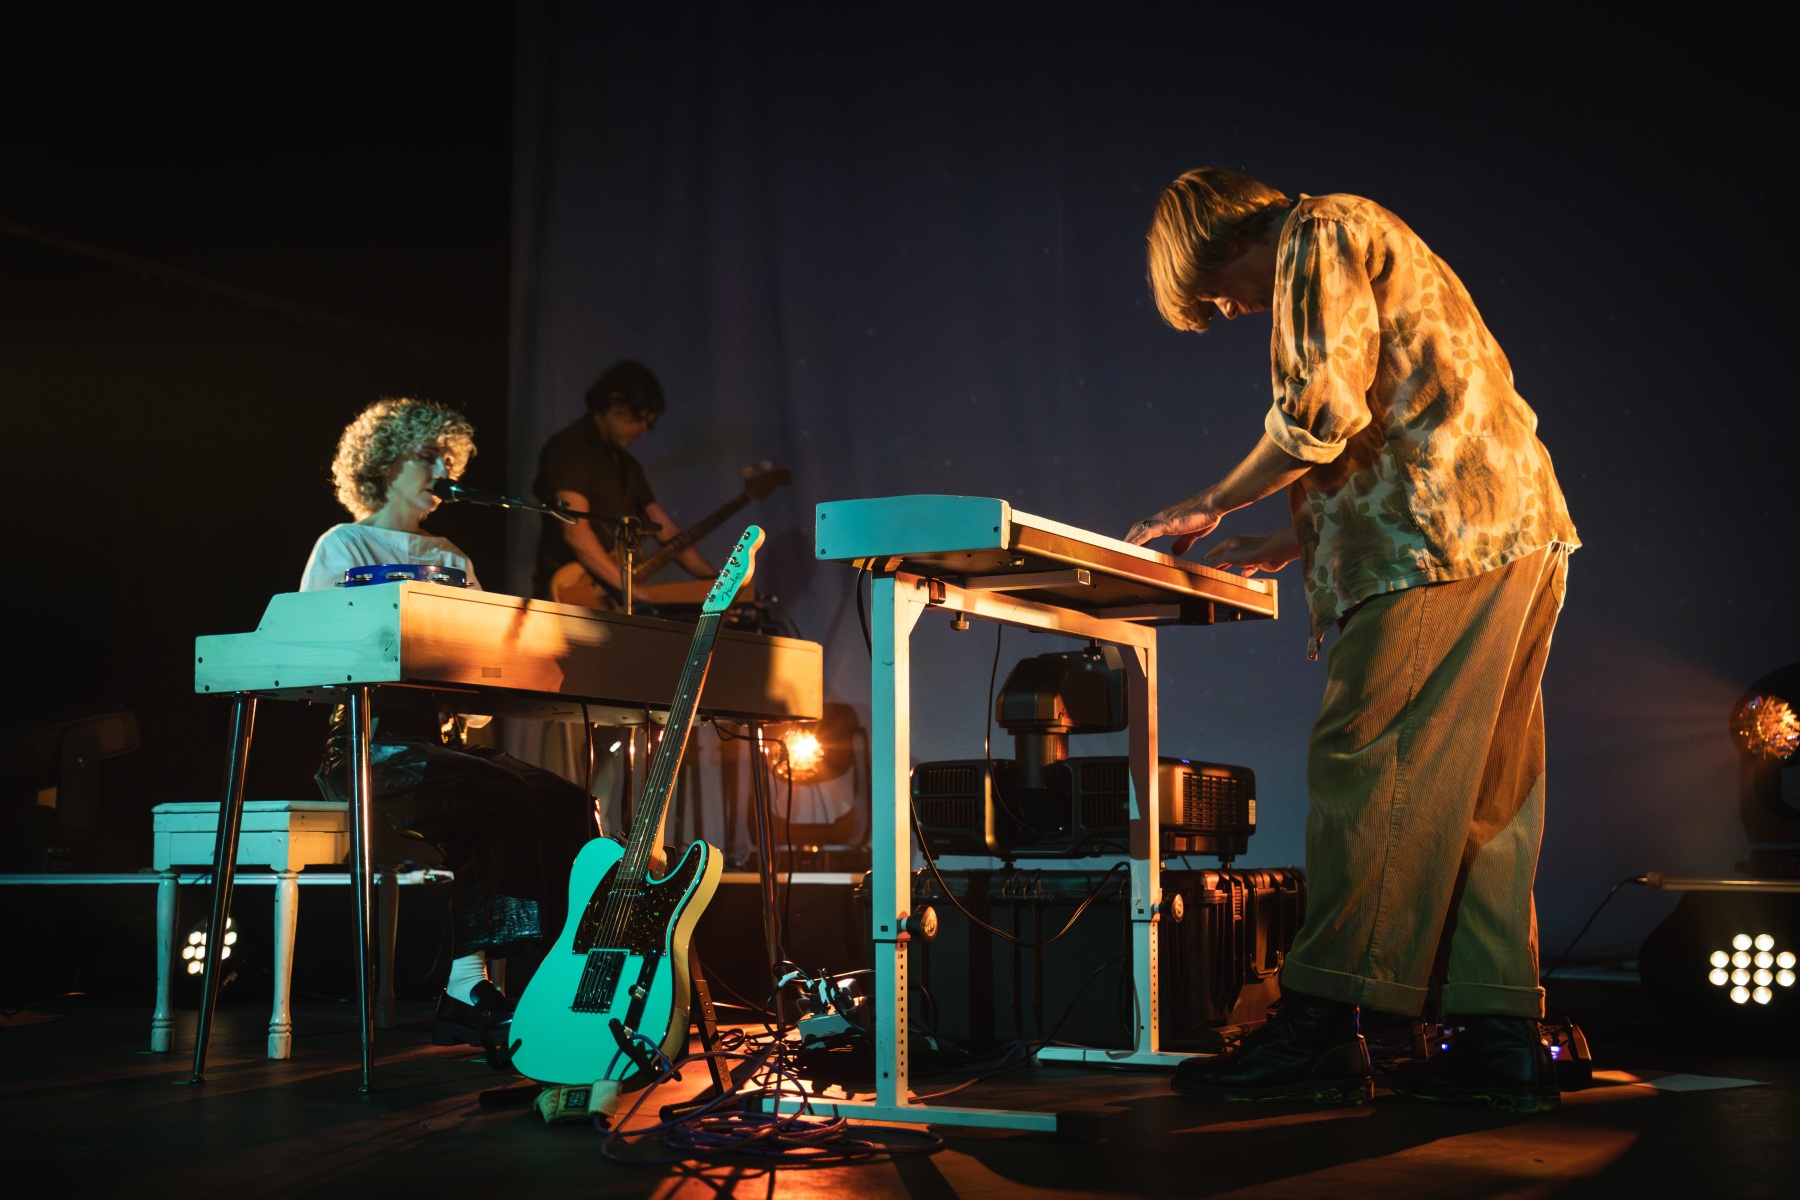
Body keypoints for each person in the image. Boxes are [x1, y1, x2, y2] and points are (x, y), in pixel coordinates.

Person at [1126, 168, 1579, 1113]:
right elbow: (1411, 408)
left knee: (1369, 771)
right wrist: (1295, 537)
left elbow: (1321, 411)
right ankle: (1498, 1042)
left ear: (1221, 237)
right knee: (1484, 800)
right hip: (1513, 531)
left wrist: (1211, 502)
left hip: (1434, 547)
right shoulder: (1365, 232)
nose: (1233, 309)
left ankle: (1324, 1024)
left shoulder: (1317, 231)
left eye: (1217, 292)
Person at [301, 396, 597, 1068]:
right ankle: (469, 986)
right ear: (385, 463)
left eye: (450, 460)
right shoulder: (343, 545)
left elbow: (485, 675)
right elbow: (316, 659)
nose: (443, 471)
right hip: (371, 746)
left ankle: (548, 979)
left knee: (567, 801)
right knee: (500, 792)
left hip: (446, 749)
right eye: (429, 456)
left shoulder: (453, 556)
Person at [531, 359, 716, 605]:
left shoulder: (628, 466)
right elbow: (576, 532)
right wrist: (633, 589)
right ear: (615, 401)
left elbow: (668, 533)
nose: (642, 429)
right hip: (571, 592)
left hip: (609, 598)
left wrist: (717, 581)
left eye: (647, 423)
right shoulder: (571, 447)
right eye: (637, 418)